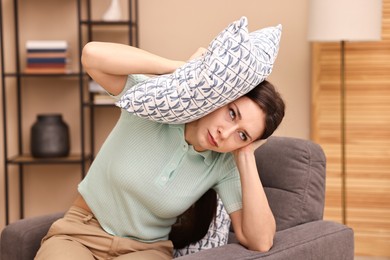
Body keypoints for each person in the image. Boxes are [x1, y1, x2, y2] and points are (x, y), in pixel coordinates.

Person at [35, 42, 285, 260]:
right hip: (80, 233)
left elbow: (260, 241)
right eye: (232, 113)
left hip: (145, 252)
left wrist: (245, 153)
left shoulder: (222, 164)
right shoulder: (154, 105)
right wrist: (181, 70)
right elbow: (92, 56)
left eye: (242, 134)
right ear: (219, 96)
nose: (225, 133)